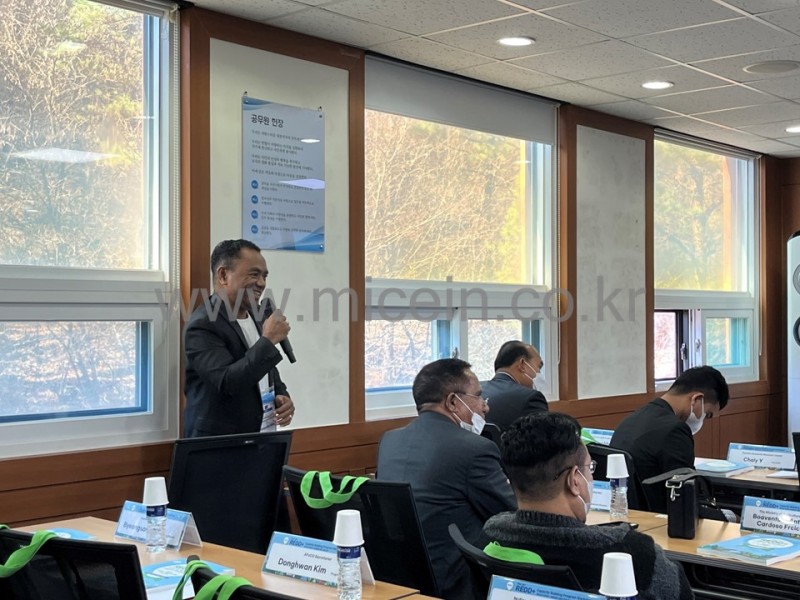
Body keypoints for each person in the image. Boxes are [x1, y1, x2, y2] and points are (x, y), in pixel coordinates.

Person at [484, 412, 694, 600]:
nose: (591, 476)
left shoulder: (491, 536)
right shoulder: (631, 551)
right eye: (589, 468)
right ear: (574, 480)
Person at [377, 358, 516, 600]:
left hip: (398, 581)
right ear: (453, 402)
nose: (485, 407)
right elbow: (511, 515)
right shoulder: (474, 449)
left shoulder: (390, 441)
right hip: (458, 583)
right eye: (479, 396)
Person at [183, 239, 296, 437]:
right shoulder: (202, 325)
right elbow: (228, 382)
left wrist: (280, 393)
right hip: (221, 443)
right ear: (223, 275)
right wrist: (268, 340)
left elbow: (264, 366)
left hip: (261, 436)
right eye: (254, 274)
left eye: (264, 276)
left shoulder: (257, 314)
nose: (261, 283)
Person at [610, 366, 729, 512]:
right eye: (708, 414)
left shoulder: (629, 421)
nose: (704, 420)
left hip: (625, 515)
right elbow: (686, 495)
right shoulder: (675, 430)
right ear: (697, 399)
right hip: (660, 519)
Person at [483, 341, 547, 432]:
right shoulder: (531, 398)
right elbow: (544, 438)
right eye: (539, 367)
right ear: (522, 364)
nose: (539, 373)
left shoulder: (475, 393)